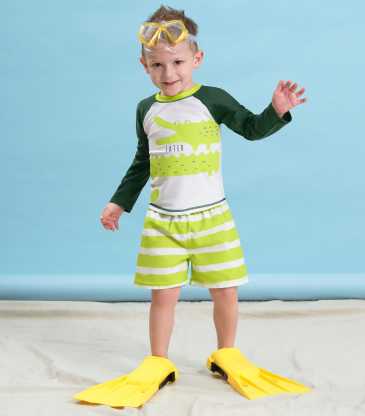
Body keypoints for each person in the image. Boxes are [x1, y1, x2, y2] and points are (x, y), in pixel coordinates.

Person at [74, 5, 311, 408]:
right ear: (144, 66)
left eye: (178, 63)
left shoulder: (212, 99)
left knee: (226, 290)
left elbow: (251, 129)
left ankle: (226, 354)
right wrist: (119, 203)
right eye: (157, 65)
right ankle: (158, 361)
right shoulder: (146, 109)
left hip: (212, 220)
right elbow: (143, 161)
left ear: (196, 59)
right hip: (163, 223)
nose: (169, 74)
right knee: (162, 296)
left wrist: (276, 111)